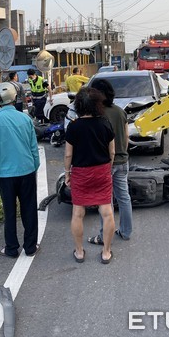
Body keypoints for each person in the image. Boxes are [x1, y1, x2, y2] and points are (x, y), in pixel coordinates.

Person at [0, 82, 40, 258]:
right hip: (26, 170)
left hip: (6, 175)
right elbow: (34, 147)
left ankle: (11, 248)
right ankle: (30, 247)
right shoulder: (25, 119)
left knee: (9, 212)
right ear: (14, 98)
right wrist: (34, 166)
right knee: (29, 209)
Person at [64, 87, 115, 264]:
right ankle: (106, 252)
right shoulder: (105, 123)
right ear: (97, 104)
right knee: (107, 212)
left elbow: (68, 155)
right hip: (102, 170)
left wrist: (67, 173)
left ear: (78, 105)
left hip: (80, 173)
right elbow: (112, 151)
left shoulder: (73, 126)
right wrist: (109, 167)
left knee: (78, 212)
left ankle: (79, 252)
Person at [87, 79, 132, 243]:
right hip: (122, 160)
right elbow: (126, 137)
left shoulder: (98, 114)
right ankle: (126, 232)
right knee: (124, 197)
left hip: (105, 162)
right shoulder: (120, 112)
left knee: (105, 201)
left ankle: (104, 236)